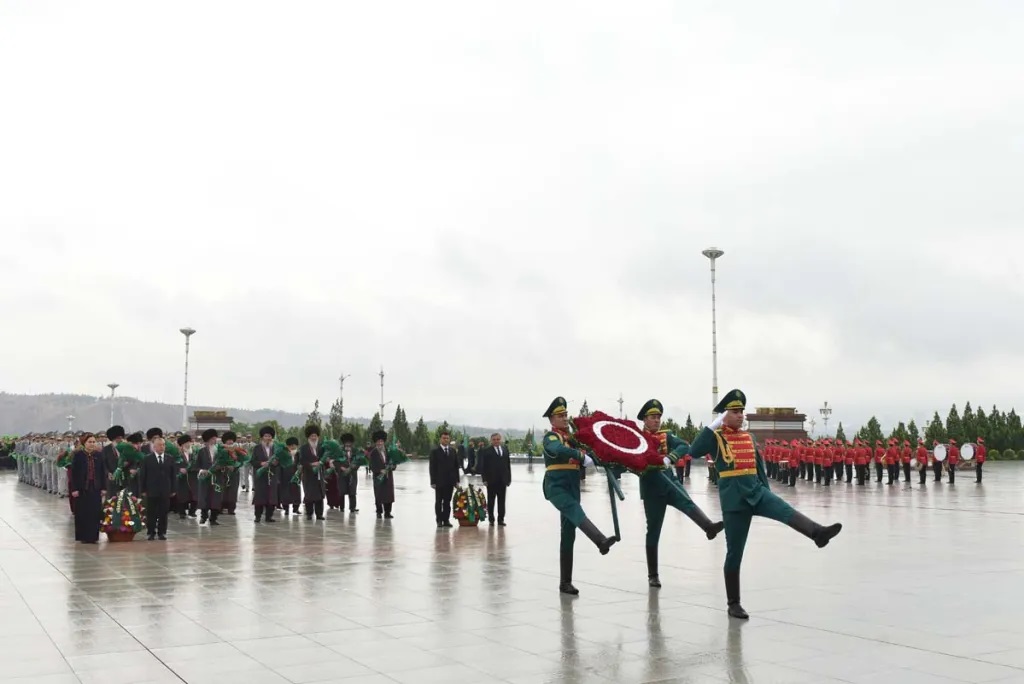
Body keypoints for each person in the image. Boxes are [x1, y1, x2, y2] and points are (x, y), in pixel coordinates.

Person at [688, 389, 842, 619]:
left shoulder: (749, 438)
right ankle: (733, 603)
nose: (740, 415)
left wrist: (766, 494)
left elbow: (758, 466)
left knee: (785, 510)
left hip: (757, 491)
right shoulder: (715, 438)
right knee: (734, 553)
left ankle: (817, 533)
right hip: (734, 501)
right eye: (735, 411)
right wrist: (713, 426)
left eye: (741, 411)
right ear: (723, 415)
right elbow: (693, 451)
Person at [636, 399, 723, 588]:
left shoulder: (665, 435)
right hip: (652, 489)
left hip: (670, 482)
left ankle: (708, 527)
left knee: (687, 502)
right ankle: (653, 575)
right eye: (653, 417)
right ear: (645, 419)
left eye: (659, 417)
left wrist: (670, 458)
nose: (657, 420)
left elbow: (684, 445)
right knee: (653, 531)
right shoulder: (637, 438)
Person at [541, 397, 617, 596]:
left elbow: (590, 452)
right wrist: (581, 456)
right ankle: (600, 540)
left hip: (573, 487)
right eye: (560, 415)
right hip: (556, 487)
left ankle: (565, 583)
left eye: (566, 414)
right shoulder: (551, 437)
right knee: (575, 511)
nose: (565, 418)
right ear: (552, 419)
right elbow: (557, 450)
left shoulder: (572, 439)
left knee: (568, 535)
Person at [70, 433, 106, 544]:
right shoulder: (78, 455)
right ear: (84, 443)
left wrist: (104, 488)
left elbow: (102, 472)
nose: (92, 444)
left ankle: (93, 536)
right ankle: (83, 536)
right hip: (82, 488)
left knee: (94, 512)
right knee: (82, 512)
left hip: (95, 487)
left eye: (94, 442)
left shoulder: (99, 455)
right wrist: (74, 489)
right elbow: (73, 474)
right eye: (89, 442)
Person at [141, 435, 176, 540]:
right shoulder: (147, 459)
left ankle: (162, 532)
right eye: (160, 445)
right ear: (154, 447)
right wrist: (143, 489)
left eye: (163, 445)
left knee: (163, 512)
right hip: (151, 490)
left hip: (165, 489)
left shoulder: (170, 458)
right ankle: (151, 532)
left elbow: (173, 475)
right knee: (151, 512)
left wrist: (173, 489)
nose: (162, 447)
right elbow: (143, 475)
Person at [429, 430, 461, 528]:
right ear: (440, 439)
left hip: (450, 482)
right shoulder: (435, 452)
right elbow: (432, 467)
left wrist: (457, 481)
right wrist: (433, 481)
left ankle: (446, 520)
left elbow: (456, 467)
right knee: (439, 502)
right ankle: (439, 520)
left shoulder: (452, 451)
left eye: (447, 438)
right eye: (444, 438)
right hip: (439, 481)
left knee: (447, 502)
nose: (446, 440)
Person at [479, 432, 512, 526]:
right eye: (494, 440)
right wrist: (484, 479)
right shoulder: (486, 451)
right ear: (491, 440)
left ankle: (501, 519)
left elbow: (508, 465)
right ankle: (491, 519)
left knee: (502, 501)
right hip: (491, 480)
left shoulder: (505, 449)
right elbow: (483, 466)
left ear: (500, 440)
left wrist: (509, 478)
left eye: (498, 439)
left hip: (502, 480)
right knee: (491, 501)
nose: (496, 441)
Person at [250, 426, 280, 523]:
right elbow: (252, 461)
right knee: (260, 496)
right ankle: (257, 516)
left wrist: (276, 463)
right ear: (262, 437)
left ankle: (269, 516)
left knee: (271, 496)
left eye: (269, 436)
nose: (268, 438)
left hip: (272, 475)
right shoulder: (257, 448)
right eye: (266, 436)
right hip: (261, 476)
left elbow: (280, 461)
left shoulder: (276, 448)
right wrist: (261, 463)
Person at [299, 425, 325, 520]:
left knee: (319, 494)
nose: (314, 438)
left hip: (319, 474)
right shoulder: (303, 448)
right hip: (308, 474)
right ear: (308, 437)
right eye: (312, 436)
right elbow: (301, 461)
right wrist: (311, 464)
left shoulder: (322, 447)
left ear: (318, 436)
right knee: (309, 494)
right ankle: (309, 513)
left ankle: (319, 514)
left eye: (315, 436)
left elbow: (325, 459)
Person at [196, 429, 222, 526]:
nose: (214, 441)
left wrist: (221, 467)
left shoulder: (220, 452)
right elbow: (196, 465)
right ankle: (203, 516)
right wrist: (202, 471)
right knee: (204, 497)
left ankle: (213, 518)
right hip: (205, 478)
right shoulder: (201, 451)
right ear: (208, 440)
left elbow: (224, 463)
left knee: (216, 498)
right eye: (213, 439)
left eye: (215, 439)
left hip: (217, 478)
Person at [368, 430, 395, 518]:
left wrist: (392, 466)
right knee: (379, 494)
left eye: (381, 441)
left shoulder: (388, 451)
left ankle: (387, 512)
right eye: (378, 441)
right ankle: (379, 512)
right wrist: (380, 470)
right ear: (375, 442)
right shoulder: (373, 453)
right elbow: (371, 466)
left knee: (388, 495)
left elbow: (393, 462)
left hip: (388, 477)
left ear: (384, 442)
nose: (380, 443)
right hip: (378, 477)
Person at [176, 434, 198, 519]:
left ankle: (192, 512)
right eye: (186, 443)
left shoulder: (194, 454)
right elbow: (172, 465)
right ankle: (182, 512)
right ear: (181, 445)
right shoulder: (177, 455)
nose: (188, 445)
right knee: (182, 496)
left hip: (193, 478)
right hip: (182, 479)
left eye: (189, 443)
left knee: (194, 496)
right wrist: (179, 469)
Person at [337, 434, 360, 513]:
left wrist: (353, 467)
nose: (348, 444)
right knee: (341, 491)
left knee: (352, 491)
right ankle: (341, 507)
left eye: (349, 443)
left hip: (352, 473)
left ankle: (352, 507)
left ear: (352, 443)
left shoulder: (355, 450)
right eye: (346, 443)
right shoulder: (339, 450)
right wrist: (341, 468)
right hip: (342, 474)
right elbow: (336, 461)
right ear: (343, 443)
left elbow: (359, 461)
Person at [279, 437, 301, 516]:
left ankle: (296, 508)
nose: (292, 447)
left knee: (296, 492)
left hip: (296, 475)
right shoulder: (283, 453)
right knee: (285, 493)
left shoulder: (299, 453)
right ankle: (286, 509)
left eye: (294, 445)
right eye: (291, 445)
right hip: (285, 475)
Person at [102, 425, 125, 493]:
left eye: (121, 438)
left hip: (125, 479)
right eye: (118, 438)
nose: (120, 440)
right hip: (112, 480)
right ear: (113, 439)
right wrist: (107, 473)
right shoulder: (106, 449)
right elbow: (103, 464)